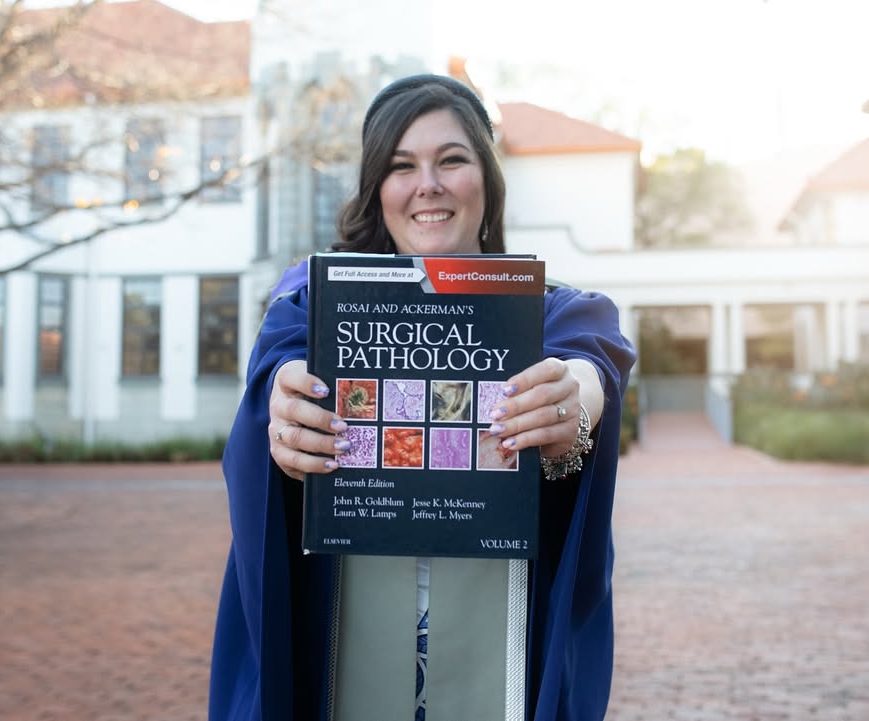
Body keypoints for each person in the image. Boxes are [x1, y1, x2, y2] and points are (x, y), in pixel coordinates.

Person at [209, 74, 637, 721]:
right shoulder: (313, 307)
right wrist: (284, 404)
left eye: (452, 160)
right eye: (401, 165)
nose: (427, 184)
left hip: (496, 663)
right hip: (345, 654)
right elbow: (281, 364)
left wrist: (572, 404)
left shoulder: (552, 314)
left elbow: (589, 366)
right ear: (377, 189)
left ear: (487, 183)